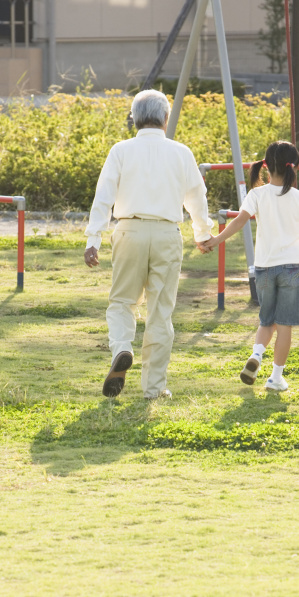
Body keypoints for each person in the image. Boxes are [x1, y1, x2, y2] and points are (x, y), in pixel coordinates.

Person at [84, 89, 212, 399]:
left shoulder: (121, 150)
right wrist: (203, 233)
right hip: (167, 233)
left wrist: (93, 239)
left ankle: (122, 348)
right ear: (166, 118)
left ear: (135, 119)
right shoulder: (182, 152)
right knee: (160, 312)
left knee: (122, 303)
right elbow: (196, 197)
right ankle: (153, 388)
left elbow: (104, 196)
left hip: (130, 230)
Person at [203, 140, 299, 391]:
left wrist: (216, 240)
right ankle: (275, 378)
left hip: (263, 268)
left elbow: (239, 222)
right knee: (284, 326)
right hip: (290, 269)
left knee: (266, 321)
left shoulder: (256, 194)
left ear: (266, 166)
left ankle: (257, 355)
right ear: (293, 167)